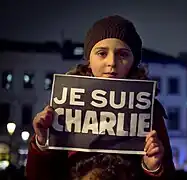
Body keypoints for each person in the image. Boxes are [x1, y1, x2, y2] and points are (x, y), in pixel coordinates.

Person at [26, 15, 175, 180]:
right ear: (89, 59)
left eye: (123, 55)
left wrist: (153, 167)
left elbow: (168, 173)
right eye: (102, 53)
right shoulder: (64, 103)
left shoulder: (149, 109)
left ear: (133, 61)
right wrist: (41, 142)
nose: (112, 62)